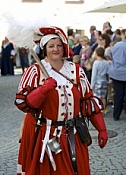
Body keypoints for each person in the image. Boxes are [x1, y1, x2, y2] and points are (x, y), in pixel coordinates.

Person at [15, 26, 108, 175]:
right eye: (51, 46)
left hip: (73, 135)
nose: (56, 49)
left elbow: (87, 101)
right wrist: (43, 89)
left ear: (64, 47)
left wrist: (102, 129)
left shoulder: (75, 70)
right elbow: (24, 104)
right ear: (45, 49)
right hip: (45, 136)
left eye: (59, 45)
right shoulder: (35, 71)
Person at [109, 29, 126, 121]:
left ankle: (116, 114)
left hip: (117, 72)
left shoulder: (117, 45)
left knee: (118, 94)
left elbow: (111, 55)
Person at [91, 47, 109, 114]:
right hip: (104, 80)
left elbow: (94, 75)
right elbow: (108, 72)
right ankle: (103, 109)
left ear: (96, 54)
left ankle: (97, 109)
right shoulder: (106, 62)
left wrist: (92, 86)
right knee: (103, 96)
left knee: (96, 97)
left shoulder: (96, 63)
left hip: (97, 81)